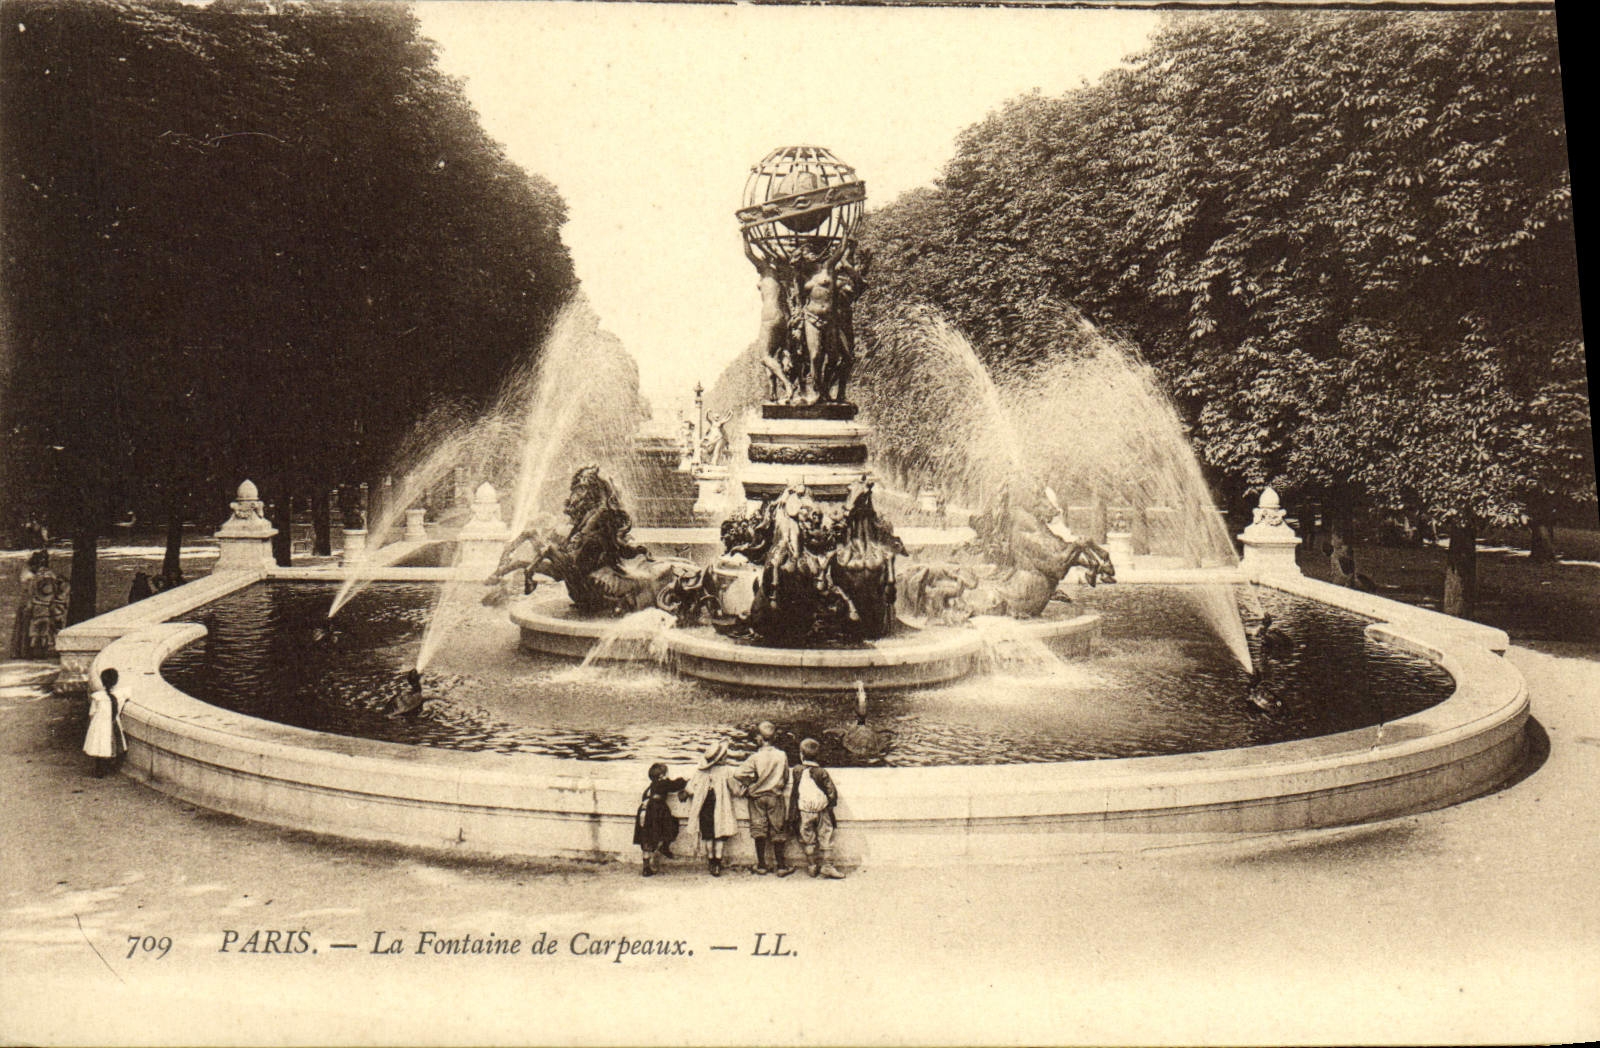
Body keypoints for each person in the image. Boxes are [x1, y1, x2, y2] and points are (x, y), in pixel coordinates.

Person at [734, 722, 794, 876]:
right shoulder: (782, 755)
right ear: (774, 737)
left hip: (757, 797)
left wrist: (752, 784)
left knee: (758, 829)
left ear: (759, 738)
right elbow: (786, 776)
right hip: (775, 796)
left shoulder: (755, 757)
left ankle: (761, 865)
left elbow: (738, 774)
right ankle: (781, 866)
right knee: (778, 829)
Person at [680, 739, 744, 877]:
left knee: (708, 836)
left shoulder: (701, 771)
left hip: (705, 808)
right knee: (719, 836)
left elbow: (690, 789)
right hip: (720, 808)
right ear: (721, 759)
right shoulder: (726, 771)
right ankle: (717, 864)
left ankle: (711, 861)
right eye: (725, 755)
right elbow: (735, 789)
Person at [790, 737, 845, 879]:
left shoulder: (797, 770)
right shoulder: (822, 772)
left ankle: (812, 865)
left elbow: (795, 791)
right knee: (825, 836)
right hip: (821, 812)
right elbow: (832, 793)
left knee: (808, 838)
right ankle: (827, 866)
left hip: (804, 812)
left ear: (801, 755)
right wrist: (829, 805)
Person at [633, 762, 689, 877]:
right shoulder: (663, 783)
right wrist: (685, 780)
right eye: (666, 774)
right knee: (672, 825)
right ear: (662, 776)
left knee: (646, 838)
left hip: (643, 811)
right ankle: (664, 846)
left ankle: (646, 867)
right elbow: (676, 785)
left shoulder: (650, 786)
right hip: (656, 810)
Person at [84, 668, 128, 777]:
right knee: (112, 742)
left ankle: (99, 768)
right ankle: (110, 765)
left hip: (99, 723)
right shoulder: (119, 696)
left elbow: (92, 712)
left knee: (99, 744)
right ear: (116, 681)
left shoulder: (98, 697)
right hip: (112, 723)